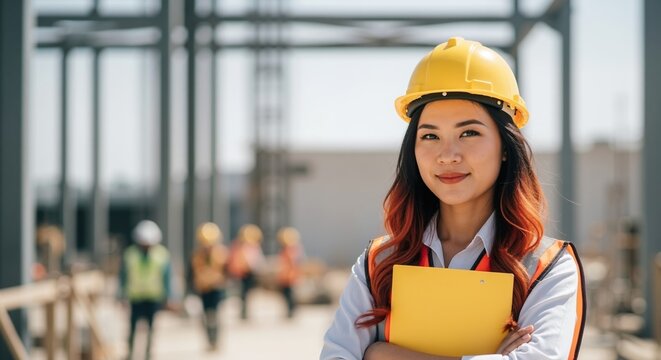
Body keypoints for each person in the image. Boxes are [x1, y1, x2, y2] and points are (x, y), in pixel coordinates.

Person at [321, 37, 586, 360]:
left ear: (505, 147)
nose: (447, 155)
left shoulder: (547, 266)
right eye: (430, 136)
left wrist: (383, 354)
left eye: (469, 133)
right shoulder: (378, 264)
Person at [119, 220, 172, 360]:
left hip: (154, 297)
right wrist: (120, 295)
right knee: (132, 328)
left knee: (151, 328)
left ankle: (148, 354)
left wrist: (169, 296)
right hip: (135, 297)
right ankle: (130, 354)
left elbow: (167, 278)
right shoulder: (130, 254)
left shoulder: (162, 254)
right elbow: (123, 276)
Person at [190, 222, 229, 350]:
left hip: (217, 289)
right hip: (203, 290)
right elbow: (191, 274)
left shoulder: (222, 253)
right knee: (206, 316)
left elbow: (227, 271)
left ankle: (216, 340)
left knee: (215, 316)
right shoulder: (196, 255)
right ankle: (209, 340)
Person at [227, 224, 265, 320]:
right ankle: (243, 311)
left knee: (247, 293)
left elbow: (257, 260)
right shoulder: (239, 247)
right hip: (242, 273)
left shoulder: (253, 247)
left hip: (250, 273)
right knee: (243, 293)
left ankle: (245, 311)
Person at [276, 226, 304, 318]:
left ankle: (291, 311)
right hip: (286, 276)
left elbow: (293, 262)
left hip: (289, 276)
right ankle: (290, 311)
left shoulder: (291, 249)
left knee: (289, 295)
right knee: (287, 294)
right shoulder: (289, 248)